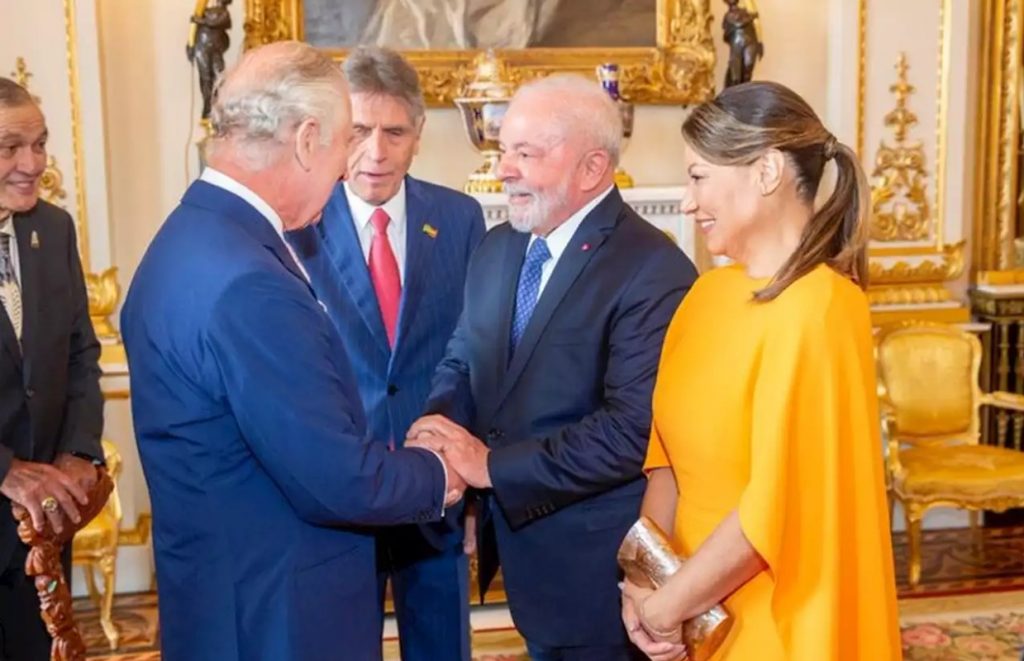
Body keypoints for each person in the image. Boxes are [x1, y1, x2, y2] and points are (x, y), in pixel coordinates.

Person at [120, 42, 464, 661]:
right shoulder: (250, 281)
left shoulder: (187, 236)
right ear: (307, 140)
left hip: (220, 595)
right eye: (345, 142)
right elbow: (336, 478)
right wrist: (444, 471)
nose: (347, 170)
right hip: (278, 615)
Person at [408, 74, 698, 661]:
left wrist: (490, 468)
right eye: (504, 151)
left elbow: (631, 431)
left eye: (526, 153)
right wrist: (439, 429)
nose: (504, 170)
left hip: (601, 577)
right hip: (526, 561)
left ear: (592, 168)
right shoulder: (497, 247)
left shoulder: (653, 269)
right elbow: (464, 359)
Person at [620, 81, 901, 660]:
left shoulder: (823, 307)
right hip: (690, 612)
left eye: (699, 178)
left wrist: (667, 607)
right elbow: (664, 463)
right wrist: (644, 581)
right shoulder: (705, 296)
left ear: (767, 171)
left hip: (778, 621)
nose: (687, 203)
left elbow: (775, 508)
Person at [288, 46, 485, 661]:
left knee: (443, 646)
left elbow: (478, 353)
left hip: (438, 488)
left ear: (418, 136)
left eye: (394, 132)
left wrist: (475, 494)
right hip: (342, 490)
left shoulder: (459, 218)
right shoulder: (298, 225)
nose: (376, 152)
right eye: (359, 131)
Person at [0, 77, 104, 660]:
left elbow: (81, 353)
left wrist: (81, 451)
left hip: (39, 534)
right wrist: (5, 469)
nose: (32, 164)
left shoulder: (53, 229)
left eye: (39, 144)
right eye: (10, 147)